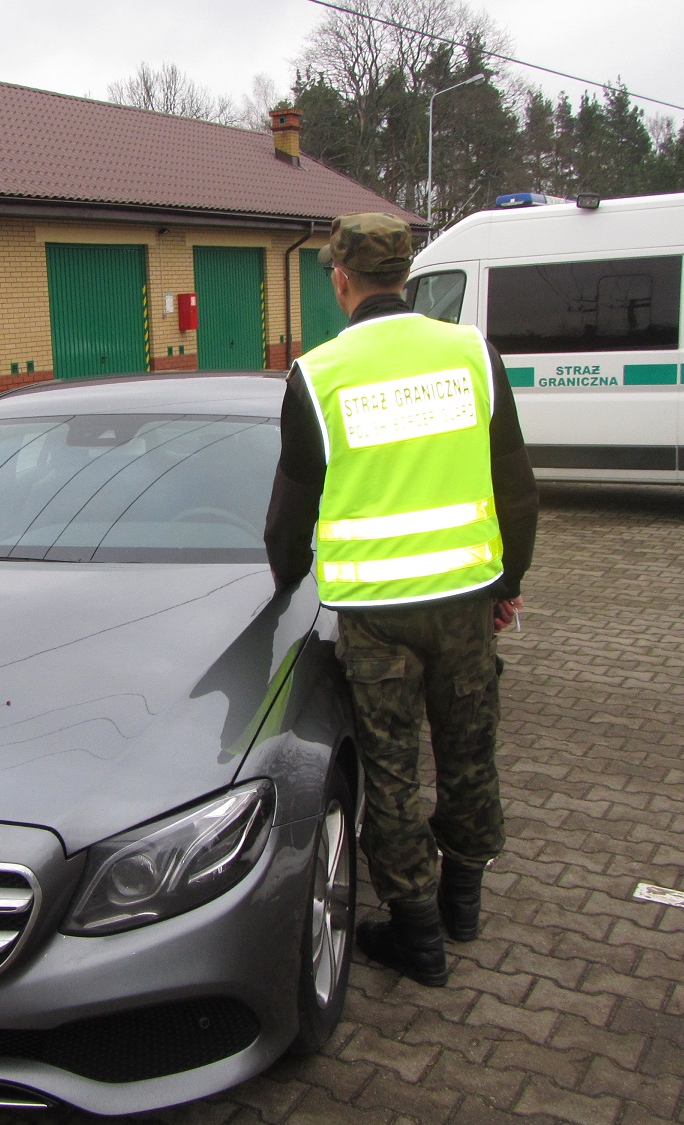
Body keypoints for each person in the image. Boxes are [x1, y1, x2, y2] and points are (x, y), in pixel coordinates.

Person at [265, 213, 538, 987]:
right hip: (465, 602)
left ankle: (418, 934)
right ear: (407, 276)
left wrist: (282, 582)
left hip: (376, 615)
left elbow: (290, 512)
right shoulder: (473, 353)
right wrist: (507, 582)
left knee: (390, 770)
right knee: (469, 748)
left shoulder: (317, 375)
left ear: (341, 280)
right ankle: (464, 903)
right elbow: (516, 487)